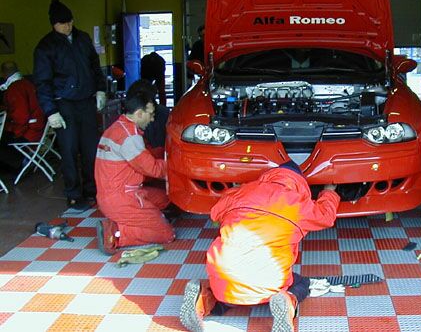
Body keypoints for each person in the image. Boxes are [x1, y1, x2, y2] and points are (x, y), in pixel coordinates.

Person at [180, 161, 340, 332]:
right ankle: (287, 302)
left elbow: (215, 213)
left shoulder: (242, 192)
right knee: (301, 284)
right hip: (268, 280)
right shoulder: (299, 204)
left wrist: (235, 190)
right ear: (299, 182)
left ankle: (202, 300)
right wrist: (329, 192)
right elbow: (326, 216)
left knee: (227, 293)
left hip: (224, 274)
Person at [33, 0, 106, 211]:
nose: (68, 26)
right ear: (54, 24)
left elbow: (95, 67)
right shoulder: (46, 46)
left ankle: (93, 190)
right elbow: (42, 82)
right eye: (63, 23)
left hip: (86, 101)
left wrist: (100, 89)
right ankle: (74, 195)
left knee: (91, 149)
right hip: (63, 105)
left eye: (70, 21)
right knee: (69, 150)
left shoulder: (82, 38)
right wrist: (50, 112)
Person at [95, 83, 175, 255]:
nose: (153, 119)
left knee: (165, 198)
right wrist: (178, 164)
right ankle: (116, 233)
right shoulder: (130, 137)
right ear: (139, 113)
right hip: (122, 198)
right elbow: (153, 169)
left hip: (113, 193)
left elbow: (141, 158)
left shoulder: (117, 127)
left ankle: (142, 219)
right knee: (166, 234)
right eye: (151, 114)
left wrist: (162, 152)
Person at [0, 61, 46, 170]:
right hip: (39, 129)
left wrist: (11, 130)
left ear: (4, 73)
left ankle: (21, 162)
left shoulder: (15, 88)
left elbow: (21, 117)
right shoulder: (27, 83)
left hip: (29, 132)